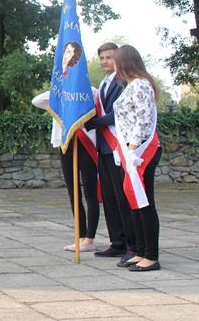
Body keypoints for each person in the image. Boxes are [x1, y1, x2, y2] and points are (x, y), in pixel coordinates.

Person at [112, 45, 162, 272]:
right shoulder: (132, 85)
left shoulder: (141, 85)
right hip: (130, 150)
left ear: (124, 62)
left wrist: (132, 150)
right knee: (134, 201)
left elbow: (143, 119)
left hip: (141, 151)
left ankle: (151, 255)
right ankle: (140, 251)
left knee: (144, 202)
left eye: (116, 61)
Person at [84, 43, 136, 262]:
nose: (105, 61)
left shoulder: (124, 81)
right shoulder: (104, 83)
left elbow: (119, 114)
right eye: (102, 58)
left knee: (122, 197)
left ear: (119, 58)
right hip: (103, 148)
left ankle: (132, 245)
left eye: (109, 57)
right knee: (109, 198)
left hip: (118, 146)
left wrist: (93, 123)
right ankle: (117, 242)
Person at [32, 90, 99, 252]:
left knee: (90, 192)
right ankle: (80, 236)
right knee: (73, 192)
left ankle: (89, 238)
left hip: (86, 142)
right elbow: (37, 101)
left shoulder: (90, 90)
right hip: (66, 142)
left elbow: (98, 105)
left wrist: (76, 91)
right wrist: (62, 90)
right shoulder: (58, 91)